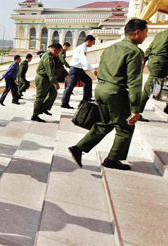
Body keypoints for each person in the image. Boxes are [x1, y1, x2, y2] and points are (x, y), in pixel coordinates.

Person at [69, 19, 148, 171]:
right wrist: (135, 108)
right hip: (116, 92)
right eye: (145, 32)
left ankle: (78, 148)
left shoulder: (111, 47)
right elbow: (134, 82)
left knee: (106, 123)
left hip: (101, 89)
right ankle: (112, 159)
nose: (145, 36)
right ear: (137, 32)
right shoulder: (134, 51)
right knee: (125, 127)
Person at [139, 12, 168, 117]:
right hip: (161, 63)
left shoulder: (161, 33)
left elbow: (150, 48)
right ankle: (136, 111)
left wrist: (144, 60)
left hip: (153, 61)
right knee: (149, 86)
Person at [61, 35, 97, 109]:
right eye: (92, 43)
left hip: (79, 69)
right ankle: (64, 103)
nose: (92, 45)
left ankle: (86, 98)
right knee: (70, 86)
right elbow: (83, 60)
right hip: (75, 69)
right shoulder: (82, 48)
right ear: (88, 41)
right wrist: (92, 70)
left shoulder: (82, 48)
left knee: (88, 81)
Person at [31, 43, 62, 122]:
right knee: (40, 97)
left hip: (47, 79)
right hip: (43, 79)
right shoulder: (48, 58)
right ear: (55, 50)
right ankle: (35, 115)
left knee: (53, 93)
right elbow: (49, 72)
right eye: (58, 52)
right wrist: (56, 83)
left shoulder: (51, 56)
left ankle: (44, 108)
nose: (58, 54)